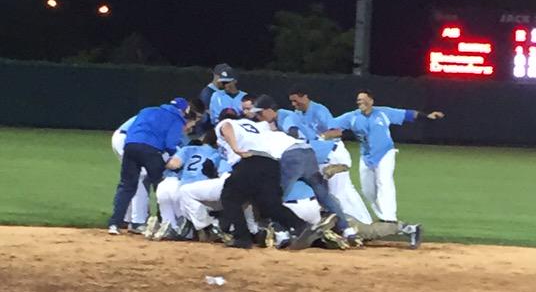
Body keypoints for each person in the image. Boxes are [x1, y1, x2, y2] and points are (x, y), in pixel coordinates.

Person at [321, 89, 444, 226]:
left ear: (371, 101)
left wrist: (427, 116)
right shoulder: (352, 117)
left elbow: (407, 114)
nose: (360, 101)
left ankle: (389, 218)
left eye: (363, 99)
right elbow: (330, 124)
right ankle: (382, 217)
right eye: (358, 100)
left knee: (384, 182)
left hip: (385, 152)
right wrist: (320, 132)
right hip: (366, 156)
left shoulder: (383, 113)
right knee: (368, 191)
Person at [250, 94, 358, 243]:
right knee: (324, 195)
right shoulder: (276, 121)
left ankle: (282, 235)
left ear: (270, 110)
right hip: (310, 154)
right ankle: (348, 230)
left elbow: (293, 130)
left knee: (275, 197)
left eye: (260, 113)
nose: (258, 116)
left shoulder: (283, 117)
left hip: (307, 155)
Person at [108, 98, 198, 234]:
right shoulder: (177, 118)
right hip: (150, 150)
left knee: (126, 185)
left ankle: (114, 223)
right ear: (185, 110)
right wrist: (179, 157)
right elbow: (170, 144)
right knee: (162, 185)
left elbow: (133, 129)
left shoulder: (147, 110)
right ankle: (167, 222)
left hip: (130, 146)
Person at [153, 135, 231, 240]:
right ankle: (205, 229)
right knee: (193, 216)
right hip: (199, 190)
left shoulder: (188, 149)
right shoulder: (217, 154)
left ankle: (168, 227)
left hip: (177, 185)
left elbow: (173, 164)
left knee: (173, 215)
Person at [110, 112, 148, 232]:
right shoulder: (169, 120)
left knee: (133, 178)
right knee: (140, 176)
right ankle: (137, 222)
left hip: (122, 137)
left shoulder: (158, 114)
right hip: (126, 139)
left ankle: (126, 218)